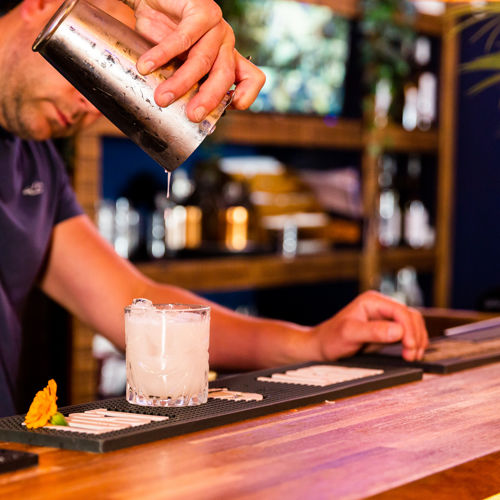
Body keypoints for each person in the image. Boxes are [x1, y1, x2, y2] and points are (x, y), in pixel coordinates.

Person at [0, 0, 428, 417]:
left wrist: (312, 344)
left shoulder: (37, 165)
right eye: (96, 61)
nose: (93, 105)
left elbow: (133, 306)